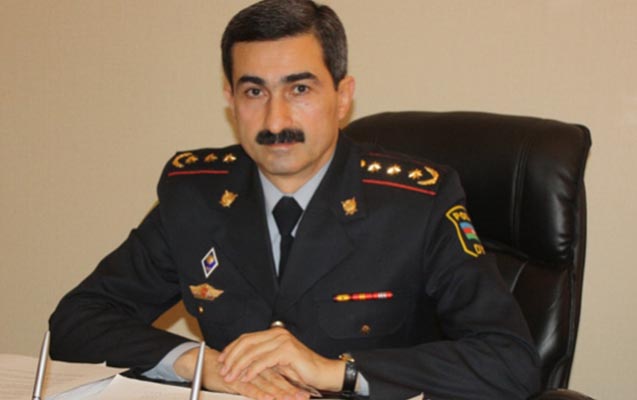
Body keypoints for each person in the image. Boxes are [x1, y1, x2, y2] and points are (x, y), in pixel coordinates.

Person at [49, 1, 541, 399]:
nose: (275, 119)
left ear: (343, 96)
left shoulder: (416, 204)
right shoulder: (195, 195)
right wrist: (201, 365)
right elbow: (78, 319)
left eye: (299, 88)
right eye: (254, 92)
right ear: (230, 99)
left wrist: (336, 372)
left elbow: (510, 361)